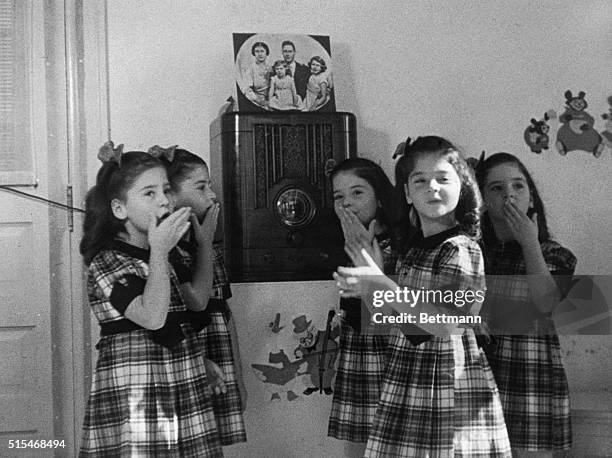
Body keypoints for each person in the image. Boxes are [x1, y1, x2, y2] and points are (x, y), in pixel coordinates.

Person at [334, 136, 511, 457]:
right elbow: (405, 324)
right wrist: (371, 287)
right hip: (409, 383)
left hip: (449, 390)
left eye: (443, 178)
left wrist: (377, 282)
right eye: (420, 180)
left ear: (462, 186)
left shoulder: (461, 249)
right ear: (407, 193)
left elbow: (443, 324)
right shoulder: (412, 251)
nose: (432, 187)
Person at [79, 142, 222, 457]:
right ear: (119, 209)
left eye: (166, 190)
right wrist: (159, 251)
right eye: (149, 193)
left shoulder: (165, 253)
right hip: (137, 387)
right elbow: (152, 316)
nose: (164, 201)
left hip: (178, 378)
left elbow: (191, 306)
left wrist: (203, 243)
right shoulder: (108, 261)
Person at [475, 152, 576, 457]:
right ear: (482, 201)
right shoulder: (473, 253)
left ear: (531, 198)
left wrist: (530, 243)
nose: (509, 195)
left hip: (532, 382)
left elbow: (546, 303)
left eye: (518, 186)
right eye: (497, 188)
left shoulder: (556, 255)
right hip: (482, 382)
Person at [155, 145, 248, 447]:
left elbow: (224, 313)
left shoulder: (210, 245)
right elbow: (194, 304)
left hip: (219, 358)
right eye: (201, 186)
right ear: (170, 194)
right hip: (188, 359)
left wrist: (240, 380)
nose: (212, 195)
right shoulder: (169, 250)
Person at [326, 158, 397, 452]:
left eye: (358, 193)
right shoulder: (345, 240)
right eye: (338, 197)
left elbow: (389, 314)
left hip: (390, 352)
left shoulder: (397, 241)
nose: (347, 204)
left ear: (379, 197)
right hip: (359, 350)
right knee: (360, 447)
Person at [243, 41, 271, 108]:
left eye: (262, 51)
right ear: (254, 53)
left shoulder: (271, 68)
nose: (260, 54)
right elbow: (247, 89)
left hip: (271, 99)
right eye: (257, 51)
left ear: (266, 53)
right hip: (257, 102)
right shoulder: (250, 69)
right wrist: (257, 99)